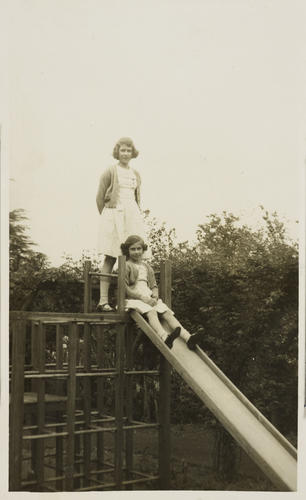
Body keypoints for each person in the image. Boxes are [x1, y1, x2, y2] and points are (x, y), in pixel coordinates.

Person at [121, 235, 202, 350]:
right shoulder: (126, 265)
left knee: (167, 313)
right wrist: (141, 298)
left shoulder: (147, 267)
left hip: (148, 297)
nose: (136, 252)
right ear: (127, 250)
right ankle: (164, 337)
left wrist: (154, 296)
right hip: (133, 299)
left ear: (143, 249)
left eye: (139, 249)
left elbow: (153, 286)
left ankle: (188, 338)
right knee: (152, 312)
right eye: (132, 249)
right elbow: (125, 288)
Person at [96, 137, 147, 311]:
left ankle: (127, 300)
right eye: (122, 150)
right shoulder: (110, 171)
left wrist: (135, 214)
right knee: (111, 256)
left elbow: (136, 198)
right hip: (114, 215)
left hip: (132, 215)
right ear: (117, 152)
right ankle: (103, 301)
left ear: (133, 153)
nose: (125, 153)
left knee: (133, 257)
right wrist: (108, 218)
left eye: (128, 150)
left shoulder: (136, 174)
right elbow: (99, 197)